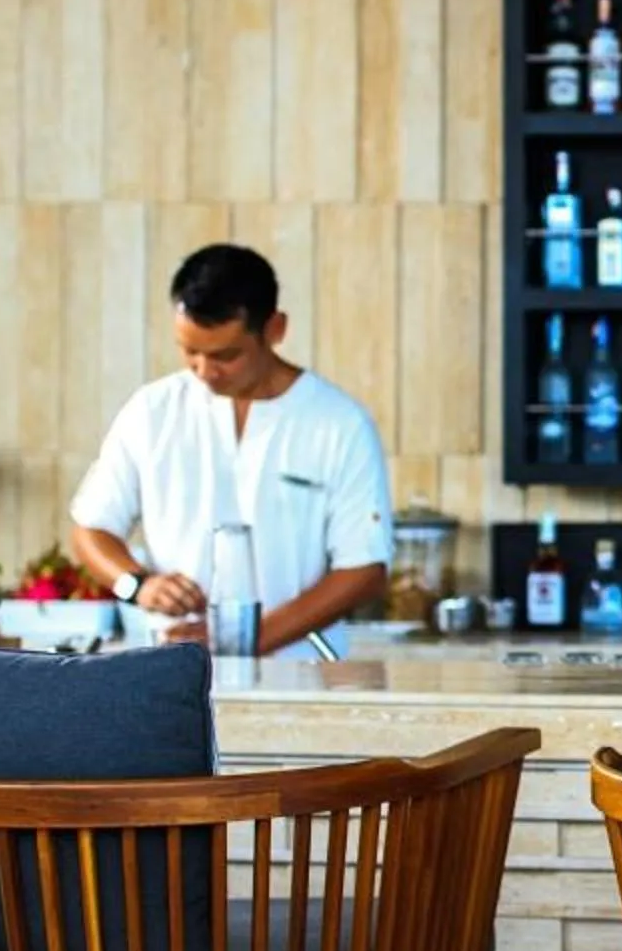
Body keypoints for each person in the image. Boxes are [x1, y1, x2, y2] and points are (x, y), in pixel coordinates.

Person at [69, 245, 395, 662]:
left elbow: (364, 571)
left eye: (225, 355)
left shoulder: (338, 423)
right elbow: (91, 528)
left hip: (300, 674)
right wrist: (139, 584)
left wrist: (248, 639)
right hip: (172, 674)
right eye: (190, 351)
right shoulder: (152, 411)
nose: (205, 371)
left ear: (275, 329)